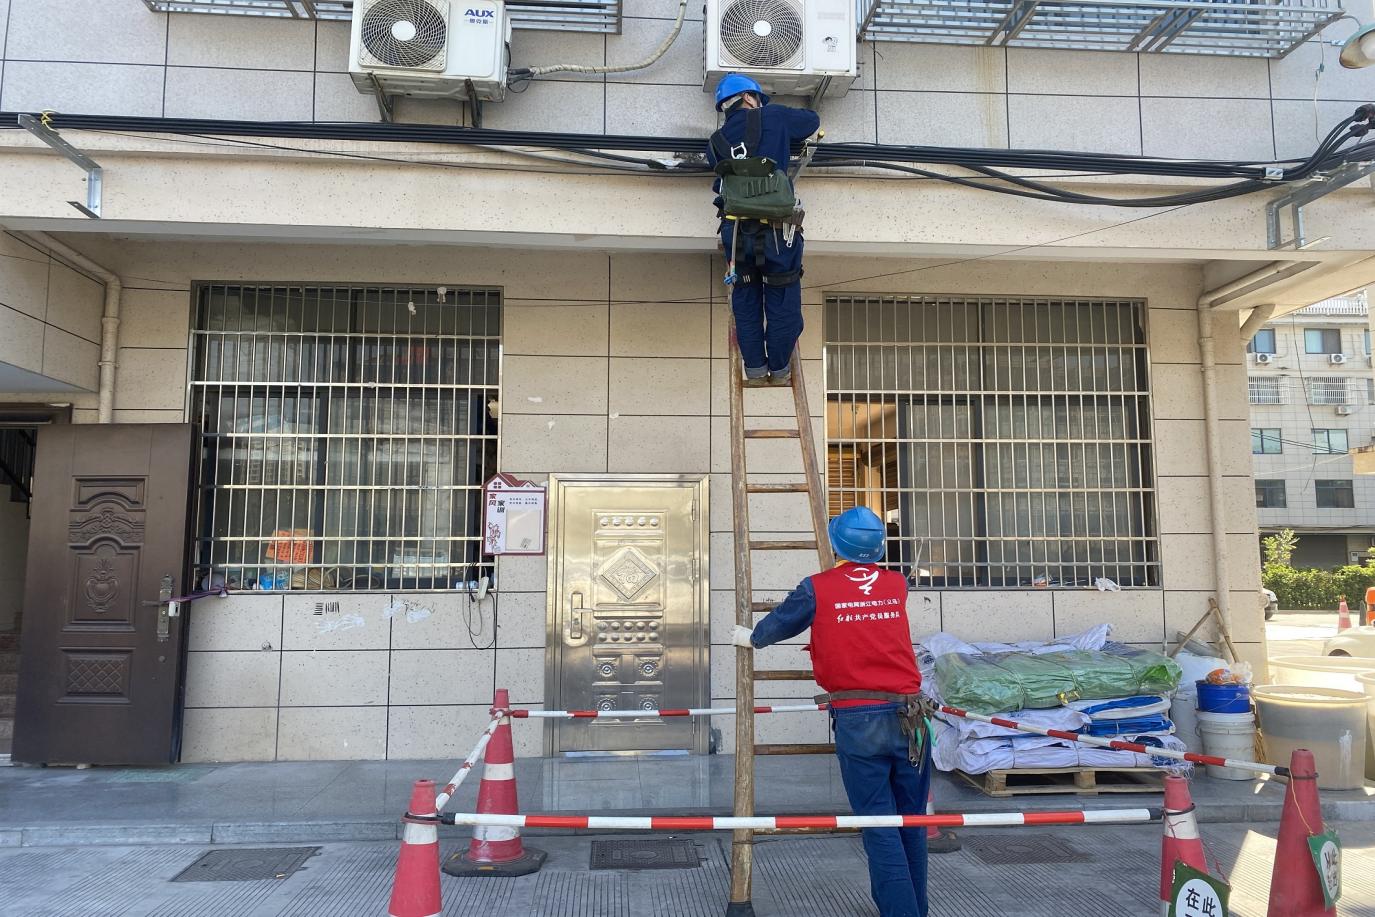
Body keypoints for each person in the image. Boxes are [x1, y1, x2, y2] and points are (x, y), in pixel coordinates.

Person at [733, 505, 931, 917]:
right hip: (911, 717)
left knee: (879, 823)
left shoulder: (817, 588)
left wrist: (753, 638)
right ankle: (915, 908)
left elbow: (783, 621)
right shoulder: (896, 584)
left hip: (860, 718)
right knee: (911, 822)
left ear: (835, 543)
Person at [707, 73, 820, 386]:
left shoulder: (715, 143)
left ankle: (755, 369)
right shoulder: (773, 116)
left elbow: (720, 178)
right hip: (777, 233)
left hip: (736, 232)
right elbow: (811, 121)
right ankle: (780, 369)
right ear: (748, 97)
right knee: (782, 294)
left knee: (745, 297)